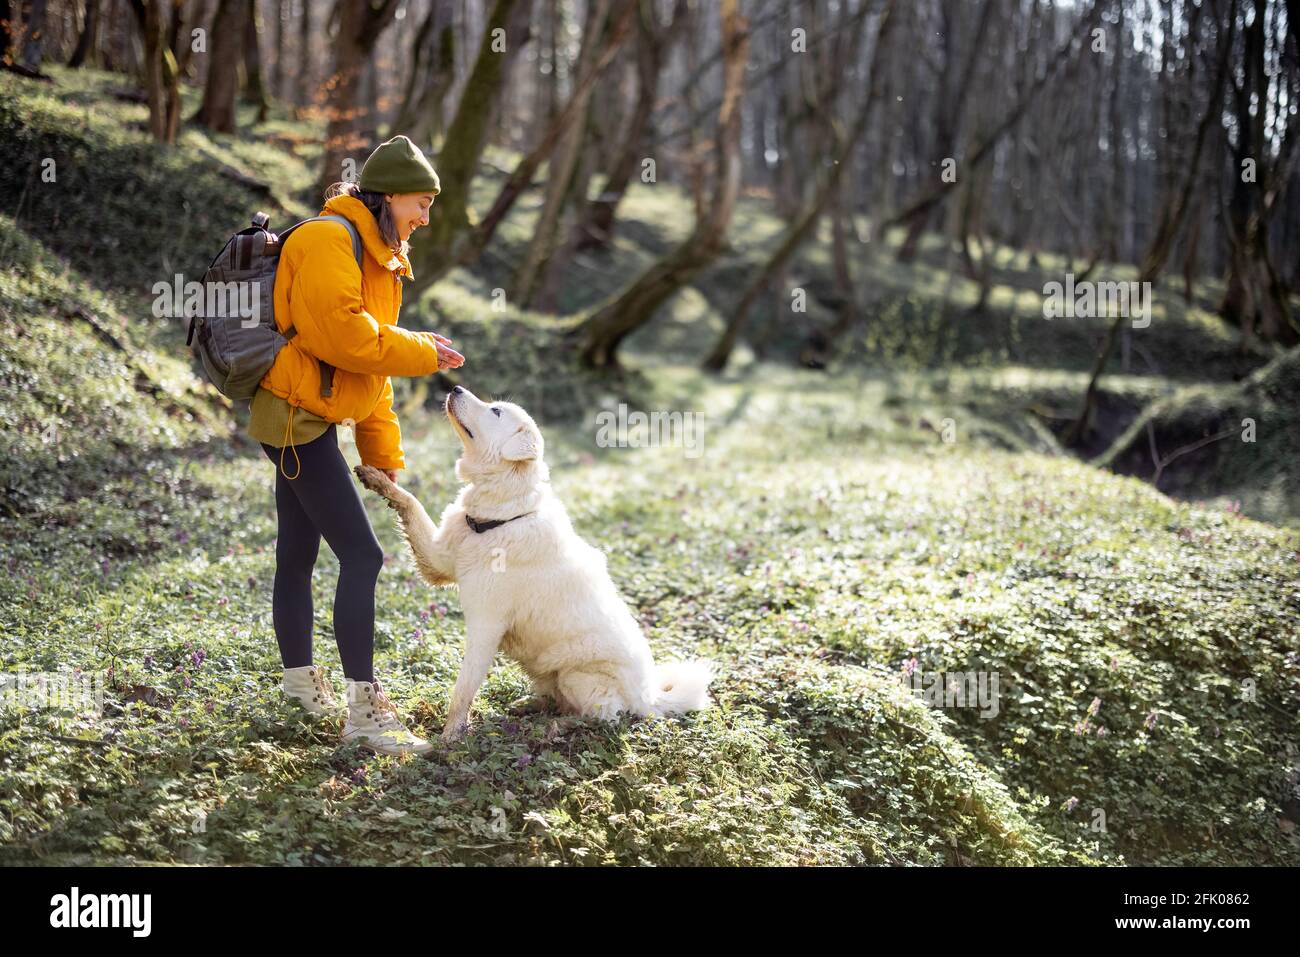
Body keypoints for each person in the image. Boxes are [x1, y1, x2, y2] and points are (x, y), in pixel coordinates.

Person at [248, 134, 464, 756]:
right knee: (363, 558)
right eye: (421, 203)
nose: (425, 217)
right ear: (389, 195)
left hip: (312, 414)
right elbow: (347, 339)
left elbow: (373, 369)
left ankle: (297, 690)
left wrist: (382, 458)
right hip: (292, 416)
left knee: (297, 553)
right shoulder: (323, 240)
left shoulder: (383, 257)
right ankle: (365, 718)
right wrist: (425, 347)